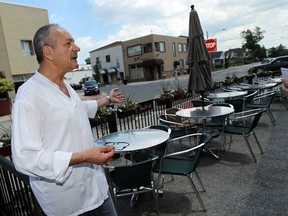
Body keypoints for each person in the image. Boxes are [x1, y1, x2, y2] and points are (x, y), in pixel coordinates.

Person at [11, 24, 125, 216]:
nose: (77, 48)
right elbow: (25, 157)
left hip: (97, 190)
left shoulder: (65, 87)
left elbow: (79, 108)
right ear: (48, 52)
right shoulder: (28, 96)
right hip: (67, 204)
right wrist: (84, 156)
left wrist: (107, 99)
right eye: (68, 43)